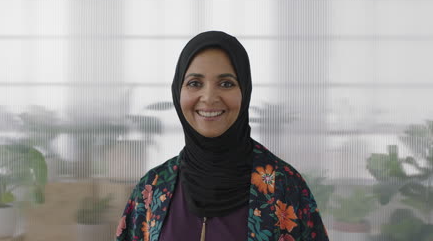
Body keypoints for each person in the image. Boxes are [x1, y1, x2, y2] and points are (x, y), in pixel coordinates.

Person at [116, 31, 329, 241]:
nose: (209, 98)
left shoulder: (285, 187)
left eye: (226, 83)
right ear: (177, 91)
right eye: (194, 83)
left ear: (244, 91)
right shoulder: (152, 188)